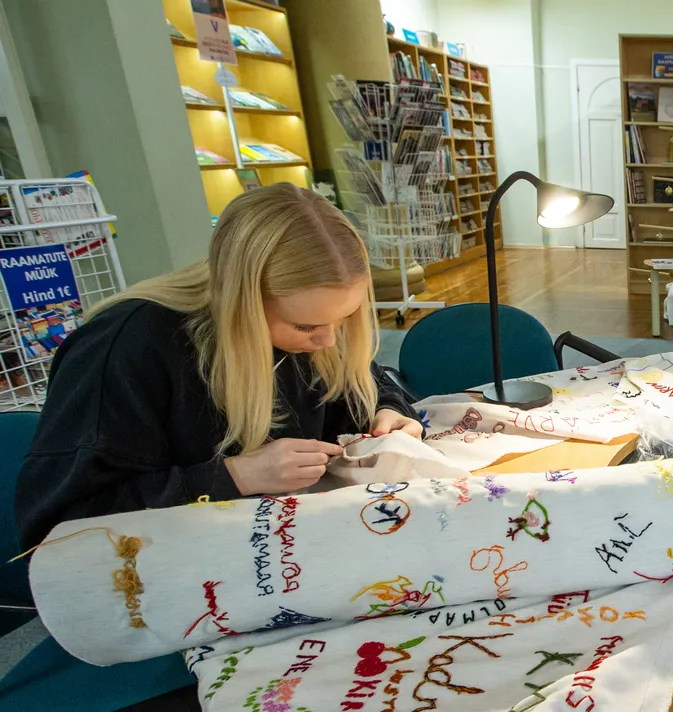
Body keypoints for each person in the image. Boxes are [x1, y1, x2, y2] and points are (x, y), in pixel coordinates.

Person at [16, 183, 422, 550]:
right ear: (242, 301)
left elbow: (361, 383)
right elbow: (61, 523)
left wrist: (387, 410)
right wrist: (235, 476)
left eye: (344, 320)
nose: (329, 340)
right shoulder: (125, 349)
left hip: (272, 546)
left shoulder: (314, 329)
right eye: (306, 326)